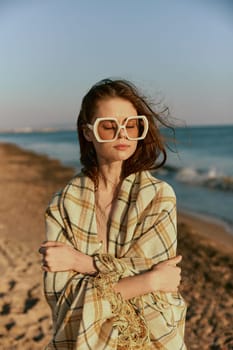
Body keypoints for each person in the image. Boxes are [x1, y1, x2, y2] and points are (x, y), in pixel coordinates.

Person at [39, 78, 187, 349]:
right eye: (108, 126)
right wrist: (147, 280)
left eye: (132, 126)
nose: (123, 135)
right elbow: (65, 300)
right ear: (87, 133)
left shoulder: (158, 196)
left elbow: (157, 298)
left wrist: (82, 263)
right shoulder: (63, 204)